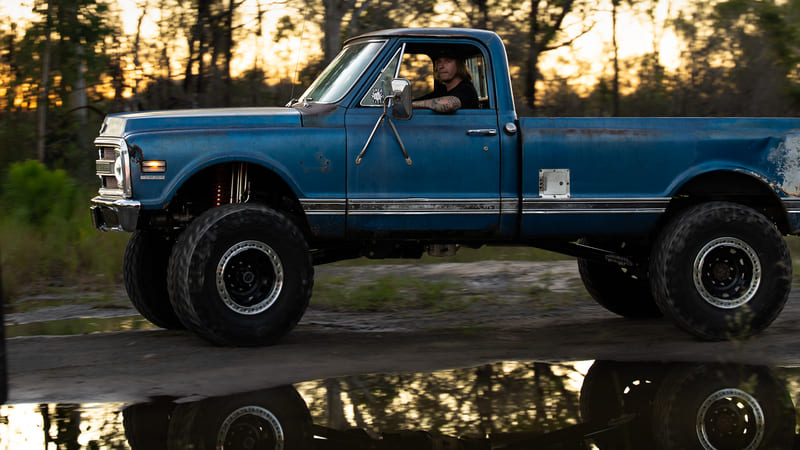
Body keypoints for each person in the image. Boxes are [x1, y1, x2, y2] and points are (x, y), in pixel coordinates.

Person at [412, 49, 479, 113]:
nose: (441, 66)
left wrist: (412, 105)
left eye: (447, 61)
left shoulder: (467, 90)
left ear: (459, 66)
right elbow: (424, 100)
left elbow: (450, 105)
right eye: (439, 62)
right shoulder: (442, 91)